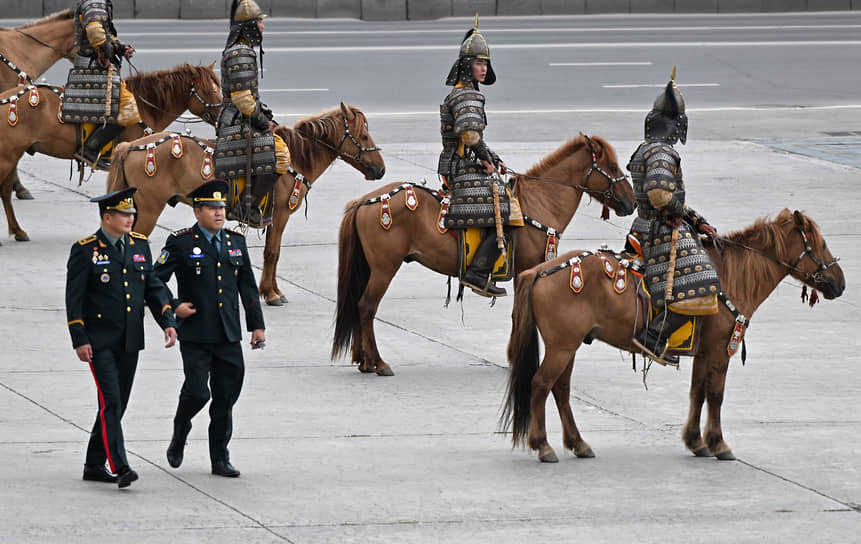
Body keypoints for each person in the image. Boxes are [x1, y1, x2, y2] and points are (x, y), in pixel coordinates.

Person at [65, 187, 177, 489]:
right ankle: (121, 466)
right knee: (111, 401)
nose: (130, 219)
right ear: (107, 217)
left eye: (132, 214)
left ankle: (92, 463)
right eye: (124, 214)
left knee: (116, 403)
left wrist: (167, 320)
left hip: (130, 339)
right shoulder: (86, 250)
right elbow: (73, 299)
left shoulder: (140, 246)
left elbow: (152, 287)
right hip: (98, 341)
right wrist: (79, 338)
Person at [154, 179, 266, 477]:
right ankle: (181, 430)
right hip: (195, 334)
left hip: (228, 334)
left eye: (222, 207)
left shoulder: (235, 242)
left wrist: (257, 327)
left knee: (226, 396)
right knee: (197, 391)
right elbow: (154, 280)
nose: (219, 213)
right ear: (197, 212)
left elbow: (248, 288)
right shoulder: (180, 243)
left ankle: (220, 457)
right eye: (212, 208)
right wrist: (173, 305)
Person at [626, 68, 720, 366]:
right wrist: (676, 213)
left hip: (647, 225)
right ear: (676, 125)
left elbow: (669, 199)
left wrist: (695, 219)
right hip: (658, 232)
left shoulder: (648, 147)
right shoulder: (662, 152)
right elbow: (659, 195)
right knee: (704, 278)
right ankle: (655, 335)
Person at [438, 17, 510, 297]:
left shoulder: (464, 94)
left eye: (486, 63)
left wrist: (492, 156)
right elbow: (469, 136)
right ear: (468, 66)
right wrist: (483, 156)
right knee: (502, 208)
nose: (485, 69)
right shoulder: (466, 95)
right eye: (480, 63)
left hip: (461, 161)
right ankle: (478, 273)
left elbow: (475, 140)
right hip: (459, 167)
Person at [214, 0, 291, 228]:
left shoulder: (240, 49)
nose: (262, 26)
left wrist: (265, 113)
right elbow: (243, 99)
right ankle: (247, 206)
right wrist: (262, 122)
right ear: (248, 26)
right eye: (258, 22)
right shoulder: (241, 52)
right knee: (281, 154)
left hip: (238, 114)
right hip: (238, 119)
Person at [62, 0, 142, 168]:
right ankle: (90, 150)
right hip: (95, 67)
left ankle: (103, 151)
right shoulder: (95, 1)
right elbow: (95, 32)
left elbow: (104, 33)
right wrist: (105, 53)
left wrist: (119, 47)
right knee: (128, 109)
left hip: (92, 64)